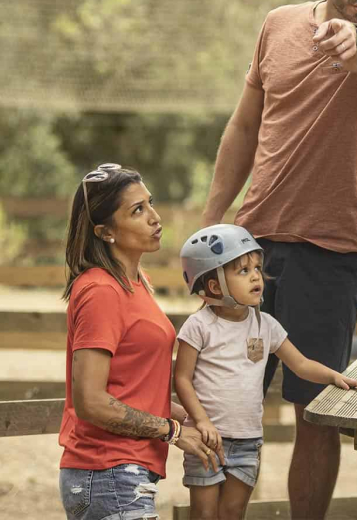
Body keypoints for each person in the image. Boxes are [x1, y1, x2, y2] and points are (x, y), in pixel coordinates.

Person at [200, 0, 357, 519]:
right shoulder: (278, 26)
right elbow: (245, 125)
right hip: (249, 247)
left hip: (333, 255)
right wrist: (213, 221)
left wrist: (356, 42)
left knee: (317, 415)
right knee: (225, 407)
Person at [59, 163, 223, 520]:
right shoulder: (101, 289)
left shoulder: (135, 282)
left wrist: (191, 418)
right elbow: (90, 402)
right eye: (137, 210)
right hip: (107, 472)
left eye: (150, 203)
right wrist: (173, 430)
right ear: (105, 232)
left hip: (125, 473)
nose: (154, 217)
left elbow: (134, 386)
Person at [174, 223, 357, 520]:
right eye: (243, 271)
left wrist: (334, 376)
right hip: (207, 439)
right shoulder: (198, 326)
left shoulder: (266, 325)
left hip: (248, 440)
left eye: (257, 267)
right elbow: (182, 379)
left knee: (232, 512)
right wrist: (201, 421)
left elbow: (301, 364)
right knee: (203, 513)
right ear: (215, 287)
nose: (256, 276)